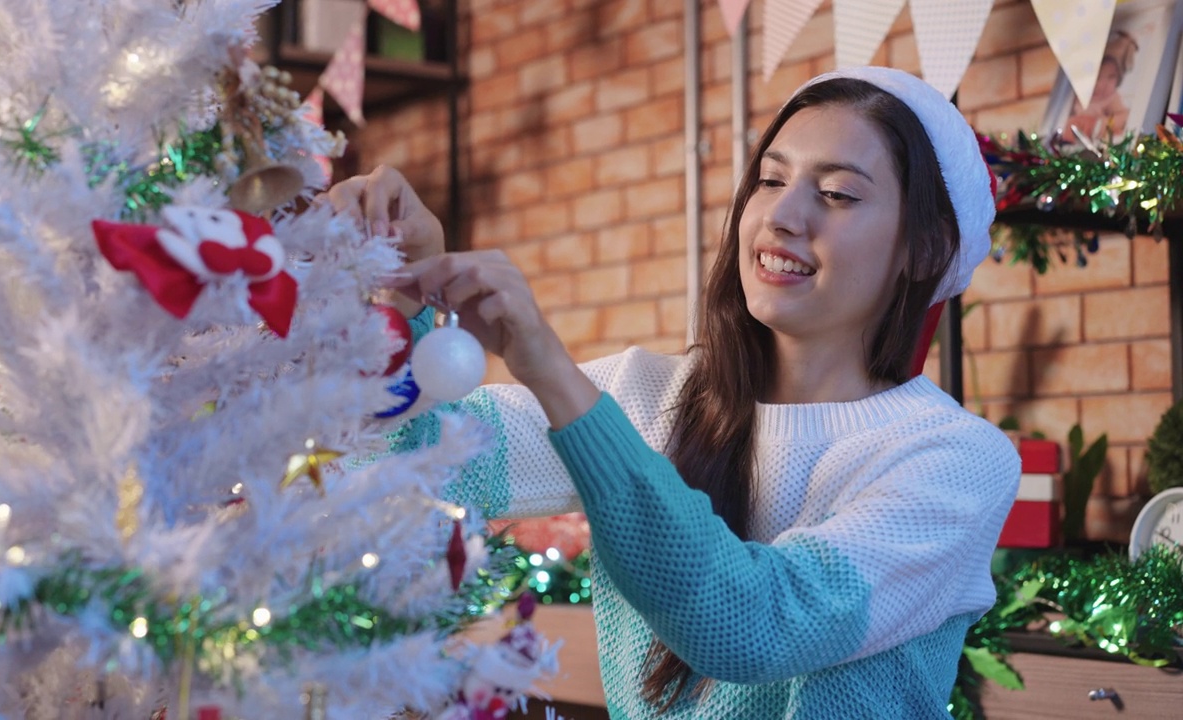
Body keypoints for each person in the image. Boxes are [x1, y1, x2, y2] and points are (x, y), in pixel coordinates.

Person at [327, 66, 1020, 718]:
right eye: (770, 181)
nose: (784, 215)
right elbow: (415, 467)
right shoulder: (646, 395)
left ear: (924, 251)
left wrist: (548, 365)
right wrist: (403, 294)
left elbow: (753, 624)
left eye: (836, 193)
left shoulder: (956, 460)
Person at [1062, 30, 1137, 143]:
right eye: (1097, 78)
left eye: (1111, 77)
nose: (1102, 84)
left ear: (1119, 80)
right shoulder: (1077, 97)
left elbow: (1124, 116)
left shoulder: (1112, 98)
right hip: (1075, 138)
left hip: (1098, 138)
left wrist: (1100, 123)